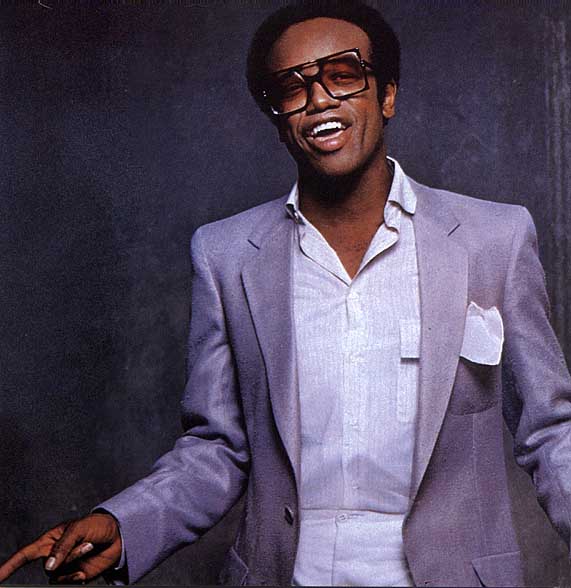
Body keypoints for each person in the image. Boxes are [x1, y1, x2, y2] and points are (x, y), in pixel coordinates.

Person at [2, 1, 571, 586]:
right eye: (292, 88)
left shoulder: (492, 239)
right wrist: (125, 524)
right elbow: (218, 447)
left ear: (387, 96)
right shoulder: (225, 255)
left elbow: (551, 431)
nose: (319, 99)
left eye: (343, 75)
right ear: (278, 119)